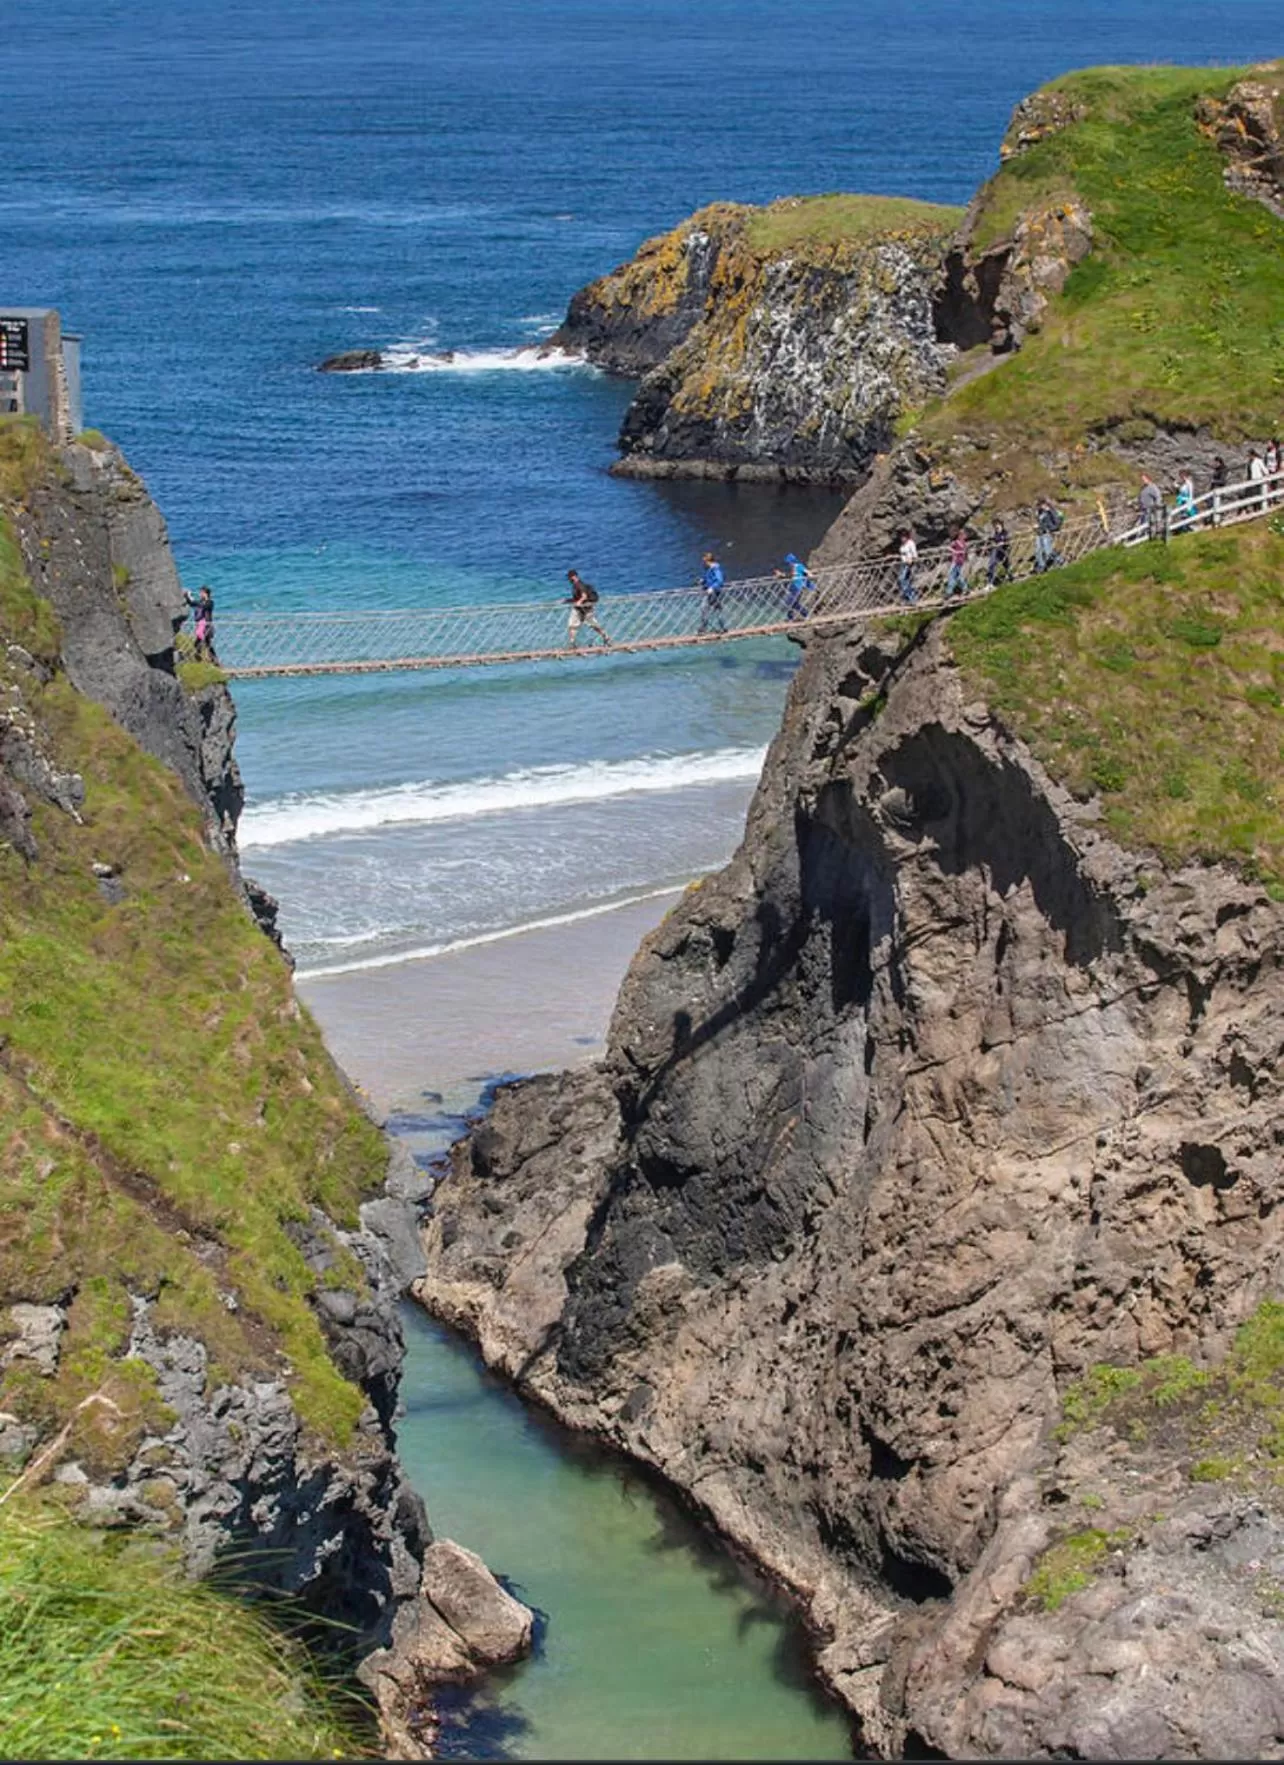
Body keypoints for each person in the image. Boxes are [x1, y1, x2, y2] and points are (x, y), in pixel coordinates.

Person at [564, 569, 609, 648]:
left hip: (583, 609)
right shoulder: (577, 585)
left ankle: (605, 636)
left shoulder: (579, 585)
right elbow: (577, 597)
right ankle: (572, 643)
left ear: (573, 577)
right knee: (575, 624)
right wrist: (567, 600)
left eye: (569, 577)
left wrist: (579, 602)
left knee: (585, 625)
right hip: (582, 608)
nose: (568, 579)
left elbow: (584, 596)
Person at [774, 552, 814, 621]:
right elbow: (791, 575)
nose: (789, 564)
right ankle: (800, 615)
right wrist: (781, 575)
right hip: (793, 586)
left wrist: (808, 576)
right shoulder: (794, 567)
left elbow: (808, 573)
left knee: (791, 602)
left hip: (798, 587)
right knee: (792, 603)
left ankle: (802, 615)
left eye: (789, 562)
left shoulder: (799, 566)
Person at [184, 584, 217, 663]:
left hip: (207, 626)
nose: (200, 594)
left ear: (205, 593)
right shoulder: (201, 601)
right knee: (203, 644)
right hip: (201, 626)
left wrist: (193, 600)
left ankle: (209, 661)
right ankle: (210, 661)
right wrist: (187, 596)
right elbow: (192, 604)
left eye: (201, 593)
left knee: (205, 644)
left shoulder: (210, 602)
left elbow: (203, 606)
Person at [697, 550, 727, 634]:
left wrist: (712, 588)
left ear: (708, 561)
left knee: (708, 609)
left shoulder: (715, 569)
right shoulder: (708, 569)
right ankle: (720, 627)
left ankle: (706, 628)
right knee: (707, 609)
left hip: (715, 593)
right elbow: (709, 578)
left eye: (704, 561)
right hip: (709, 592)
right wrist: (703, 581)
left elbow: (720, 581)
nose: (703, 563)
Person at [1035, 498, 1065, 571]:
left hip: (1047, 533)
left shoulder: (1051, 511)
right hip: (1040, 533)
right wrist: (1037, 526)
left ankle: (1059, 559)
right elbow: (1041, 523)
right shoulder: (1039, 512)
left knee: (1048, 551)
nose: (1039, 507)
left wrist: (1053, 529)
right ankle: (1041, 566)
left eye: (1040, 505)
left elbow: (1056, 521)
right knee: (1038, 551)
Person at [986, 516, 1012, 586]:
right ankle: (990, 581)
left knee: (1006, 565)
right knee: (992, 564)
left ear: (1001, 525)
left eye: (997, 525)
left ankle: (1010, 576)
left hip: (1004, 551)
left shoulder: (1005, 532)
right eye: (994, 526)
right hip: (997, 552)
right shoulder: (995, 534)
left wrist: (1002, 543)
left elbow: (1007, 540)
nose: (996, 527)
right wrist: (992, 542)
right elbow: (993, 540)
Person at [1138, 474, 1164, 541]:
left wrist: (1156, 506)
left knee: (1151, 524)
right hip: (1144, 509)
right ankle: (1145, 538)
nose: (1143, 481)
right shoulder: (1143, 488)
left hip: (1151, 509)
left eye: (1144, 479)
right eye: (1142, 479)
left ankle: (1153, 538)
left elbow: (1158, 496)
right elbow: (1141, 497)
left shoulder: (1152, 487)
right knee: (1143, 524)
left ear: (1148, 478)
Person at [945, 527, 969, 598]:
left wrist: (963, 556)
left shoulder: (963, 543)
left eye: (963, 534)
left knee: (953, 576)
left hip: (958, 562)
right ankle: (964, 588)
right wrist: (954, 551)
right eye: (961, 534)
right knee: (955, 576)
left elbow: (965, 552)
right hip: (956, 561)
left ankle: (950, 592)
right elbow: (948, 547)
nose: (962, 536)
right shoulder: (957, 542)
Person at [897, 530, 918, 603]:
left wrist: (912, 559)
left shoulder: (910, 543)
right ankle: (910, 597)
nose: (902, 539)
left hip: (909, 564)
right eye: (901, 537)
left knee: (902, 579)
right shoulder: (902, 545)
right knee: (904, 581)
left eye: (904, 537)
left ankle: (911, 597)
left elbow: (914, 554)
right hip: (903, 564)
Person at [1209, 455, 1228, 527]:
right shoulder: (1217, 470)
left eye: (1215, 462)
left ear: (1219, 462)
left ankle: (1219, 520)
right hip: (1214, 489)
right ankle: (1214, 520)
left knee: (1218, 504)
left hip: (1219, 489)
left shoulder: (1223, 470)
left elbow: (1223, 481)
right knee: (1212, 505)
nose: (1214, 464)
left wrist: (1214, 481)